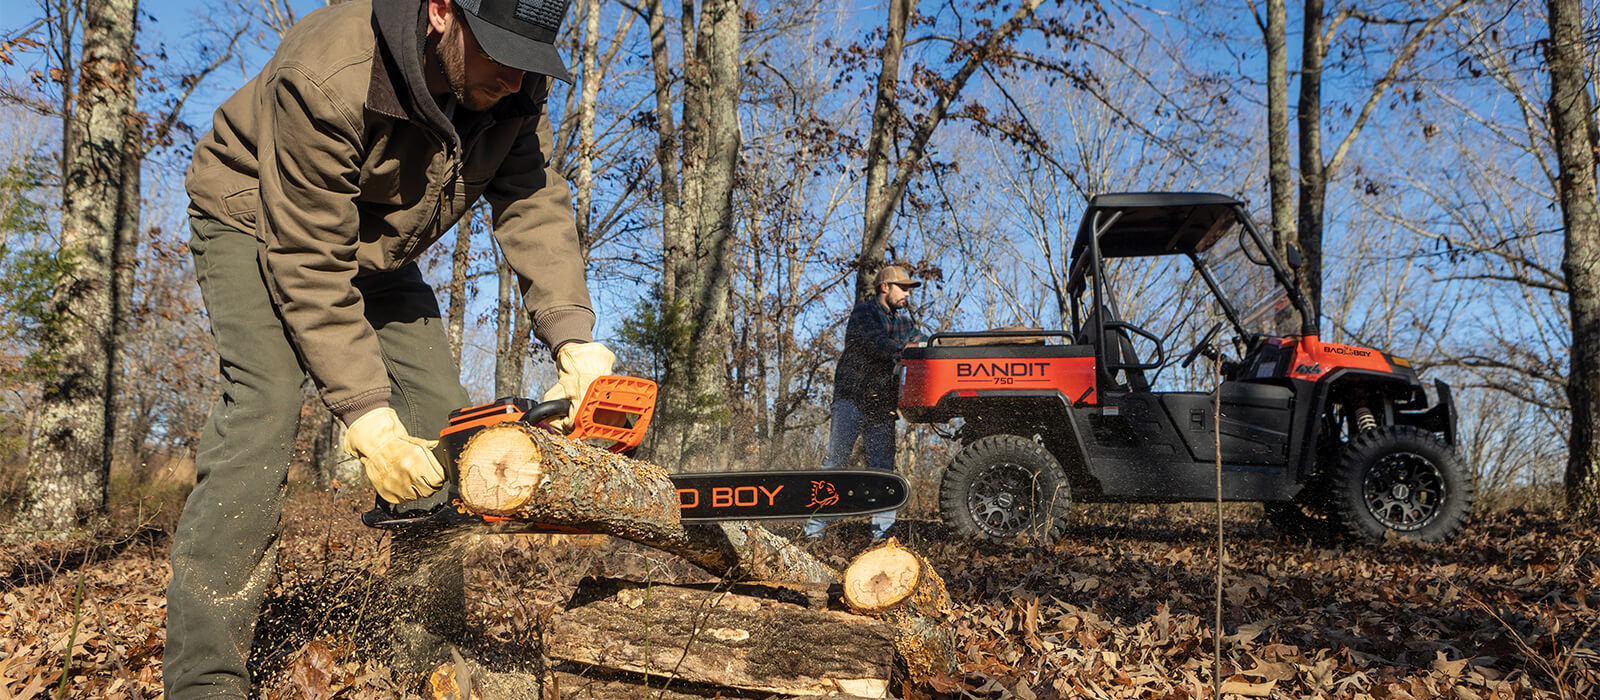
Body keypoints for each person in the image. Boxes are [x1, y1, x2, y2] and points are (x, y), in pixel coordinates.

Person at [165, 0, 614, 696]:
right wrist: (365, 413)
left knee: (443, 422)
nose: (518, 79)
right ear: (441, 11)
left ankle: (420, 645)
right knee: (263, 413)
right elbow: (308, 259)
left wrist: (572, 336)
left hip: (374, 246)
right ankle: (204, 676)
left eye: (531, 61)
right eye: (499, 51)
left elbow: (530, 198)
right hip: (256, 218)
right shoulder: (330, 71)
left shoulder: (513, 81)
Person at [807, 265, 925, 541]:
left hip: (882, 404)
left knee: (884, 470)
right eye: (903, 288)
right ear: (885, 286)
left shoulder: (905, 324)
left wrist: (927, 350)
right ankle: (814, 533)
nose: (907, 294)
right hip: (852, 398)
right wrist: (907, 350)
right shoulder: (864, 312)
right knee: (835, 463)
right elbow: (878, 345)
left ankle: (883, 537)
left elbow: (920, 346)